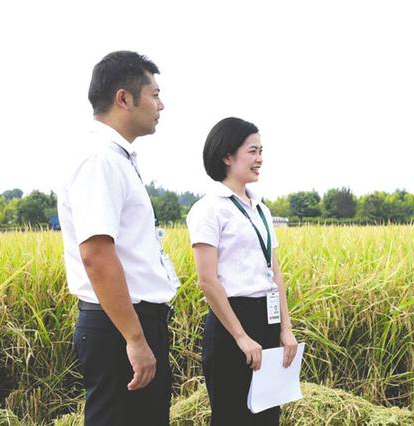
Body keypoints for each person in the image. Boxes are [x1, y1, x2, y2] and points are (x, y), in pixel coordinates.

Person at [57, 51, 179, 426]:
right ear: (124, 98)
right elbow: (96, 254)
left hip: (130, 323)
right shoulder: (100, 160)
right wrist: (135, 339)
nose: (162, 104)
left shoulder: (117, 158)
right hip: (120, 326)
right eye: (154, 94)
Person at [187, 117, 298, 425]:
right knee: (232, 415)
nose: (260, 158)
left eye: (261, 150)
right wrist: (241, 337)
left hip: (267, 317)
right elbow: (207, 280)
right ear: (227, 156)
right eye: (252, 151)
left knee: (267, 415)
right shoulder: (209, 208)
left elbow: (275, 273)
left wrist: (285, 329)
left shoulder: (261, 209)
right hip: (231, 323)